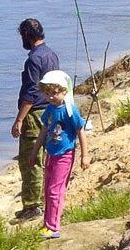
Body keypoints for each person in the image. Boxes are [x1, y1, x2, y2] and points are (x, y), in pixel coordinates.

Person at [29, 70, 90, 239]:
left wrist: (85, 156)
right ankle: (47, 224)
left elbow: (80, 131)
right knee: (48, 190)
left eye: (54, 93)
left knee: (55, 191)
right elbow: (44, 130)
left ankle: (53, 226)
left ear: (64, 91)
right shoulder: (50, 109)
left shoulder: (70, 111)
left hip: (65, 155)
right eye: (47, 93)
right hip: (51, 154)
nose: (51, 97)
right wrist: (35, 151)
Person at [12, 18, 59, 221]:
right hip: (50, 110)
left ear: (26, 35)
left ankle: (32, 206)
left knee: (30, 160)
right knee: (45, 159)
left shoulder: (33, 60)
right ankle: (42, 201)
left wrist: (19, 119)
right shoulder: (51, 54)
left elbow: (31, 93)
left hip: (35, 114)